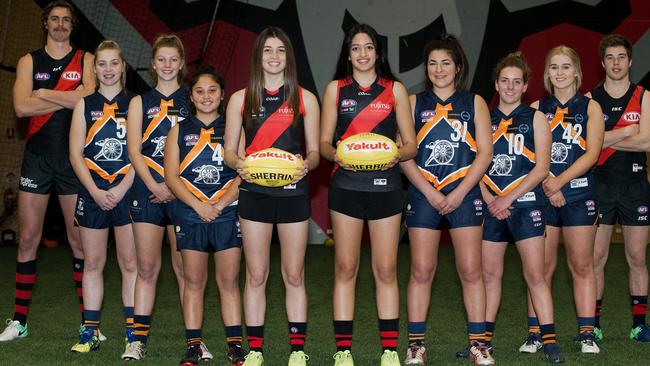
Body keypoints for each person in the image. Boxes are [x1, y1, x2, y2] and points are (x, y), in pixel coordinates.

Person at [320, 23, 416, 366]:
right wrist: (340, 155)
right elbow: (323, 145)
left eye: (369, 47)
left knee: (386, 269)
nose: (363, 54)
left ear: (378, 53)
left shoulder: (395, 90)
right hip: (345, 187)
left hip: (386, 187)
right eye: (356, 48)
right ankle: (343, 351)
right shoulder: (336, 90)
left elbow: (410, 145)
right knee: (345, 267)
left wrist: (396, 155)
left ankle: (389, 350)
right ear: (348, 54)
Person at [224, 27, 320, 366]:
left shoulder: (305, 99)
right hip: (254, 193)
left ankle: (296, 351)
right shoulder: (241, 99)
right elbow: (229, 152)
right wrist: (240, 165)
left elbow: (314, 153)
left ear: (288, 58)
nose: (274, 57)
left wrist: (305, 166)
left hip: (293, 193)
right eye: (268, 50)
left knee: (294, 275)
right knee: (256, 274)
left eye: (280, 51)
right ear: (258, 57)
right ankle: (255, 351)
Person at [0, 0, 95, 342]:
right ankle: (19, 321)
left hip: (73, 160)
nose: (59, 25)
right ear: (45, 23)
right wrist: (65, 96)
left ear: (72, 25)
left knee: (79, 242)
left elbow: (90, 97)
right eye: (54, 19)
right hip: (37, 160)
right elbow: (21, 107)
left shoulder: (86, 60)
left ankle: (89, 324)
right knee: (27, 240)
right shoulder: (29, 60)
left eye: (65, 20)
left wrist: (43, 92)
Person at [399, 34, 493, 366]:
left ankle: (479, 345)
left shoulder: (474, 102)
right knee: (422, 270)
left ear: (457, 67)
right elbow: (404, 155)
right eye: (433, 63)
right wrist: (431, 192)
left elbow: (485, 154)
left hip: (464, 195)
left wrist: (458, 192)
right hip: (425, 195)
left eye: (446, 63)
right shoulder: (413, 103)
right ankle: (415, 346)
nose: (439, 69)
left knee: (470, 270)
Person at [480, 52, 565, 363]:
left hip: (527, 204)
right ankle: (482, 342)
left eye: (517, 82)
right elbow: (474, 165)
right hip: (491, 207)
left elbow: (542, 167)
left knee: (536, 275)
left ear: (526, 85)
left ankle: (550, 341)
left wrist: (508, 198)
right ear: (497, 84)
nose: (511, 87)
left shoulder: (536, 117)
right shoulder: (483, 118)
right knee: (489, 275)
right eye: (505, 81)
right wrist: (491, 200)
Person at [521, 45, 604, 356]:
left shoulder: (590, 107)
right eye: (554, 67)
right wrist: (547, 184)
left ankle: (586, 333)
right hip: (542, 195)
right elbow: (527, 156)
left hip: (579, 194)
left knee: (581, 265)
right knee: (540, 267)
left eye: (566, 67)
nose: (559, 72)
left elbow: (592, 154)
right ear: (546, 73)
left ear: (577, 72)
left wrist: (560, 182)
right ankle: (536, 333)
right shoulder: (535, 107)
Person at [165, 66, 246, 366]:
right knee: (194, 282)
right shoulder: (179, 129)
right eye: (199, 91)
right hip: (190, 213)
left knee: (228, 281)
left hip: (227, 213)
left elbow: (243, 173)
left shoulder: (235, 128)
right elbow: (171, 177)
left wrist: (221, 204)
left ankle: (235, 346)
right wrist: (199, 206)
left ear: (222, 94)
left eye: (212, 90)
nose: (206, 96)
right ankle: (193, 346)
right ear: (191, 97)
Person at [123, 34, 192, 360]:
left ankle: (194, 341)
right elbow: (134, 150)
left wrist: (175, 186)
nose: (167, 65)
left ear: (181, 64)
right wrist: (153, 184)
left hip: (183, 194)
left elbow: (197, 147)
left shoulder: (192, 99)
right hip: (146, 191)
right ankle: (136, 341)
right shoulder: (139, 102)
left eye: (173, 60)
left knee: (185, 269)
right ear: (153, 64)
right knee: (147, 268)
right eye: (161, 59)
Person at [67, 40, 137, 353]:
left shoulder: (135, 103)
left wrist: (121, 188)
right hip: (93, 191)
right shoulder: (84, 104)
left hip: (127, 190)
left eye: (114, 63)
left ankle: (133, 334)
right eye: (102, 64)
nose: (108, 70)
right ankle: (90, 332)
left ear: (123, 67)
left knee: (130, 263)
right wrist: (95, 191)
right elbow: (75, 154)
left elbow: (142, 153)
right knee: (93, 262)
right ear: (94, 69)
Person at [589, 34, 650, 343]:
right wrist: (628, 132)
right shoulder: (591, 98)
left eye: (621, 57)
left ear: (630, 61)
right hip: (599, 185)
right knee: (595, 258)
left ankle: (640, 324)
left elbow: (648, 141)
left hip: (635, 186)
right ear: (603, 63)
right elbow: (587, 144)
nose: (616, 63)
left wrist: (606, 137)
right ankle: (593, 325)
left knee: (637, 257)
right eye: (610, 58)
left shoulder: (645, 96)